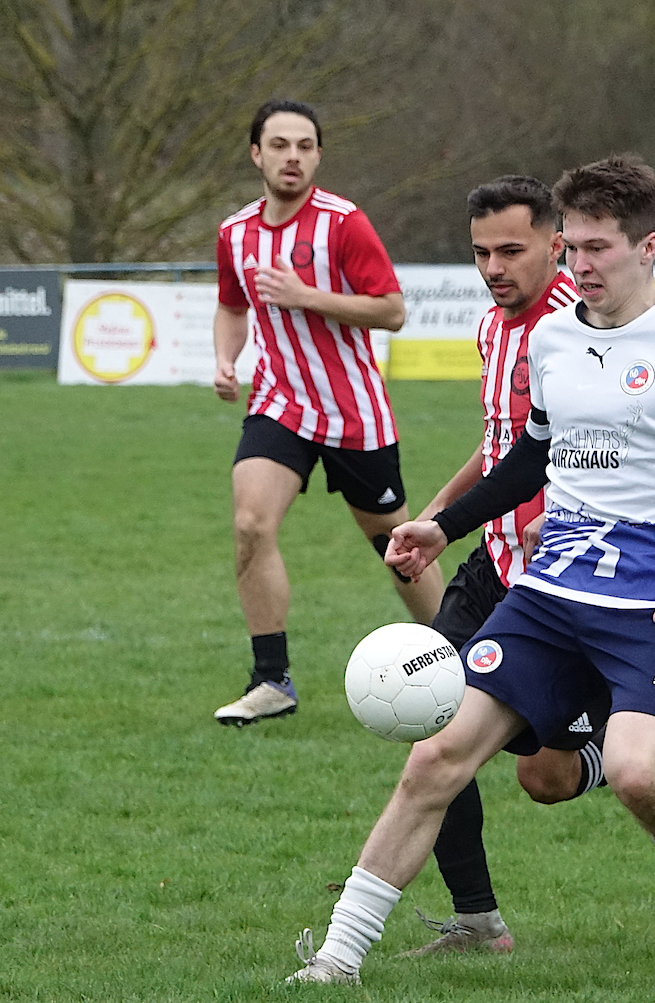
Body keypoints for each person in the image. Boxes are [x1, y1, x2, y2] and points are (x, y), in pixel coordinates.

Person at [285, 154, 655, 988]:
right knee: (436, 758)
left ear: (648, 247)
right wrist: (441, 526)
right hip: (548, 592)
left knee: (636, 775)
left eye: (598, 248)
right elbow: (529, 459)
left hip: (654, 601)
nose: (580, 264)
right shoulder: (554, 339)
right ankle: (337, 958)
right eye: (573, 247)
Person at [406, 175, 655, 958]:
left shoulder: (586, 322)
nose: (494, 267)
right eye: (481, 252)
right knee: (435, 722)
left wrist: (558, 518)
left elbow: (610, 451)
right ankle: (477, 919)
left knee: (548, 778)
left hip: (573, 579)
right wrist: (442, 517)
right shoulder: (494, 329)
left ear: (554, 246)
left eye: (511, 250)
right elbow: (505, 445)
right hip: (492, 565)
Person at [212, 99, 443, 726]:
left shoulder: (344, 224)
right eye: (279, 145)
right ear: (256, 154)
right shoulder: (236, 233)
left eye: (305, 146)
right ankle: (271, 680)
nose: (293, 157)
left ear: (318, 156)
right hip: (279, 404)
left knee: (398, 547)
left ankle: (463, 659)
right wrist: (226, 360)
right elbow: (232, 306)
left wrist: (306, 296)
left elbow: (392, 310)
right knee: (251, 524)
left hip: (353, 411)